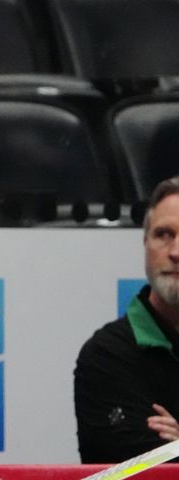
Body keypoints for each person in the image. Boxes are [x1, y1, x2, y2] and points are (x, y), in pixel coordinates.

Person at [74, 177, 179, 464]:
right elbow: (132, 469)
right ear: (146, 242)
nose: (176, 252)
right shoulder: (106, 355)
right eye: (164, 234)